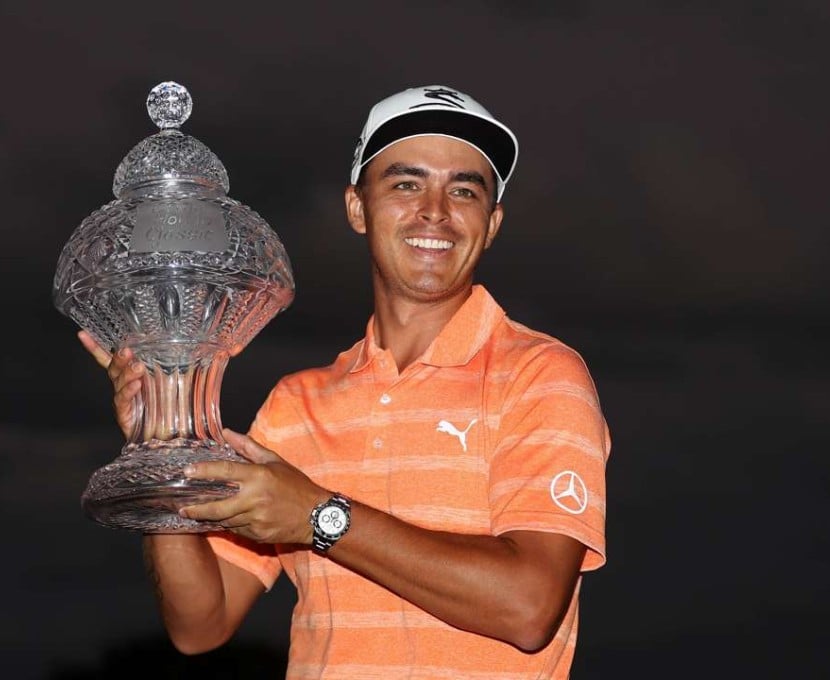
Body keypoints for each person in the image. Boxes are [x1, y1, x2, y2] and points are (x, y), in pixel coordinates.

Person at [80, 84, 610, 679]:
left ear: (491, 224)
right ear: (357, 208)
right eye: (406, 183)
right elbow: (200, 625)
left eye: (464, 190)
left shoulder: (541, 374)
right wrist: (164, 444)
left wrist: (319, 516)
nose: (435, 210)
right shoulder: (297, 403)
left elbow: (529, 606)